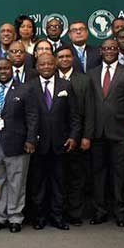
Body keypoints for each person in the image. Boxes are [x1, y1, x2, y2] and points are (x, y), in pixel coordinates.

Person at [88, 39, 124, 226]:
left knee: (120, 174)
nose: (109, 51)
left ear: (119, 51)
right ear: (100, 52)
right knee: (98, 174)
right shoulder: (91, 74)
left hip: (120, 132)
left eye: (113, 48)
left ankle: (122, 213)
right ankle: (100, 211)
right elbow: (89, 104)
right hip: (97, 132)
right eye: (106, 48)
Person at [0, 57, 37, 233]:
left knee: (16, 182)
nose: (3, 71)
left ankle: (15, 217)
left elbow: (32, 116)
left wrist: (31, 139)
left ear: (12, 70)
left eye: (6, 68)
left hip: (17, 143)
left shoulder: (24, 89)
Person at [31, 52, 80, 230]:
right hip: (38, 144)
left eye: (50, 64)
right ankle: (39, 217)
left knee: (59, 182)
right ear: (37, 67)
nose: (46, 67)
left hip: (61, 143)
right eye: (42, 64)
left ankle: (58, 217)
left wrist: (74, 136)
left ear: (55, 65)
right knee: (38, 183)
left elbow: (74, 115)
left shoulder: (66, 85)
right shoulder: (31, 87)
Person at [56, 45, 94, 227]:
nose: (64, 59)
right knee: (58, 177)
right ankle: (58, 211)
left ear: (73, 58)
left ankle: (75, 213)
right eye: (61, 56)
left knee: (76, 177)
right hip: (55, 137)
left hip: (78, 136)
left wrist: (86, 136)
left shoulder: (84, 80)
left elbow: (89, 110)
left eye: (67, 56)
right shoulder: (50, 76)